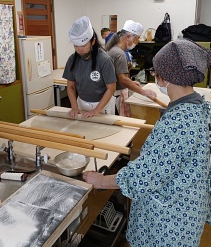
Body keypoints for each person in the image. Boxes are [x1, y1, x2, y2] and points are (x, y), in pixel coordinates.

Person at [83, 38, 211, 247]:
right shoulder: (197, 107)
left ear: (164, 77)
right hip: (185, 209)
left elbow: (144, 175)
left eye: (155, 72)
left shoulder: (179, 123)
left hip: (169, 223)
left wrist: (101, 181)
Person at [63, 16, 117, 119]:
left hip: (102, 105)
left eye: (83, 46)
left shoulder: (104, 59)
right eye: (76, 46)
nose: (79, 49)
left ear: (93, 42)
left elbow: (111, 88)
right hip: (81, 103)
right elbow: (70, 86)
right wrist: (74, 107)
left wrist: (97, 110)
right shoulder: (72, 60)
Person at [106, 20, 157, 116]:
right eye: (137, 39)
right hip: (116, 96)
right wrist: (143, 91)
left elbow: (118, 76)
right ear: (128, 37)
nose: (137, 43)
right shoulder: (119, 54)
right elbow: (123, 80)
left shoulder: (114, 50)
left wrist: (131, 83)